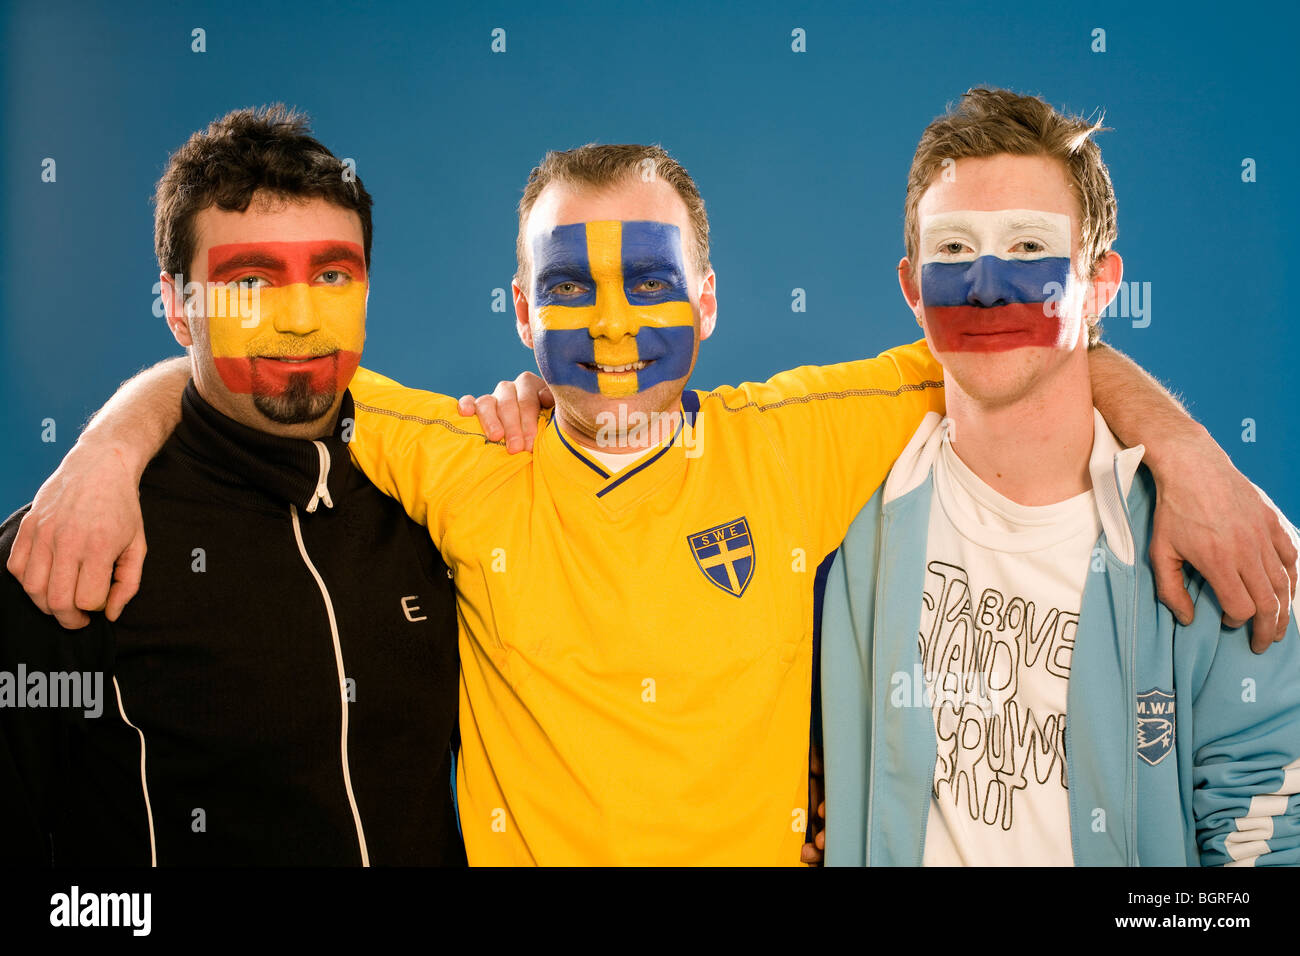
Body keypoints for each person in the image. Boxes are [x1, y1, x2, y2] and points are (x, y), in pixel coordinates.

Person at [10, 139, 1295, 866]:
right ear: (518, 313)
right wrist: (106, 447)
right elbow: (264, 368)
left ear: (714, 302)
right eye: (568, 289)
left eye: (650, 283)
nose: (612, 328)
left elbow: (1014, 331)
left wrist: (1187, 448)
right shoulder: (461, 453)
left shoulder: (797, 436)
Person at [819, 88, 1300, 866]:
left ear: (1100, 283)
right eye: (951, 252)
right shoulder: (844, 514)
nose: (985, 285)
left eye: (1027, 249)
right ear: (912, 289)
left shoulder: (1230, 539)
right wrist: (550, 405)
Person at [0, 106, 464, 865]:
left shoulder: (438, 505)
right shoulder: (73, 544)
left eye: (333, 274)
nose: (301, 319)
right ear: (181, 309)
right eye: (250, 281)